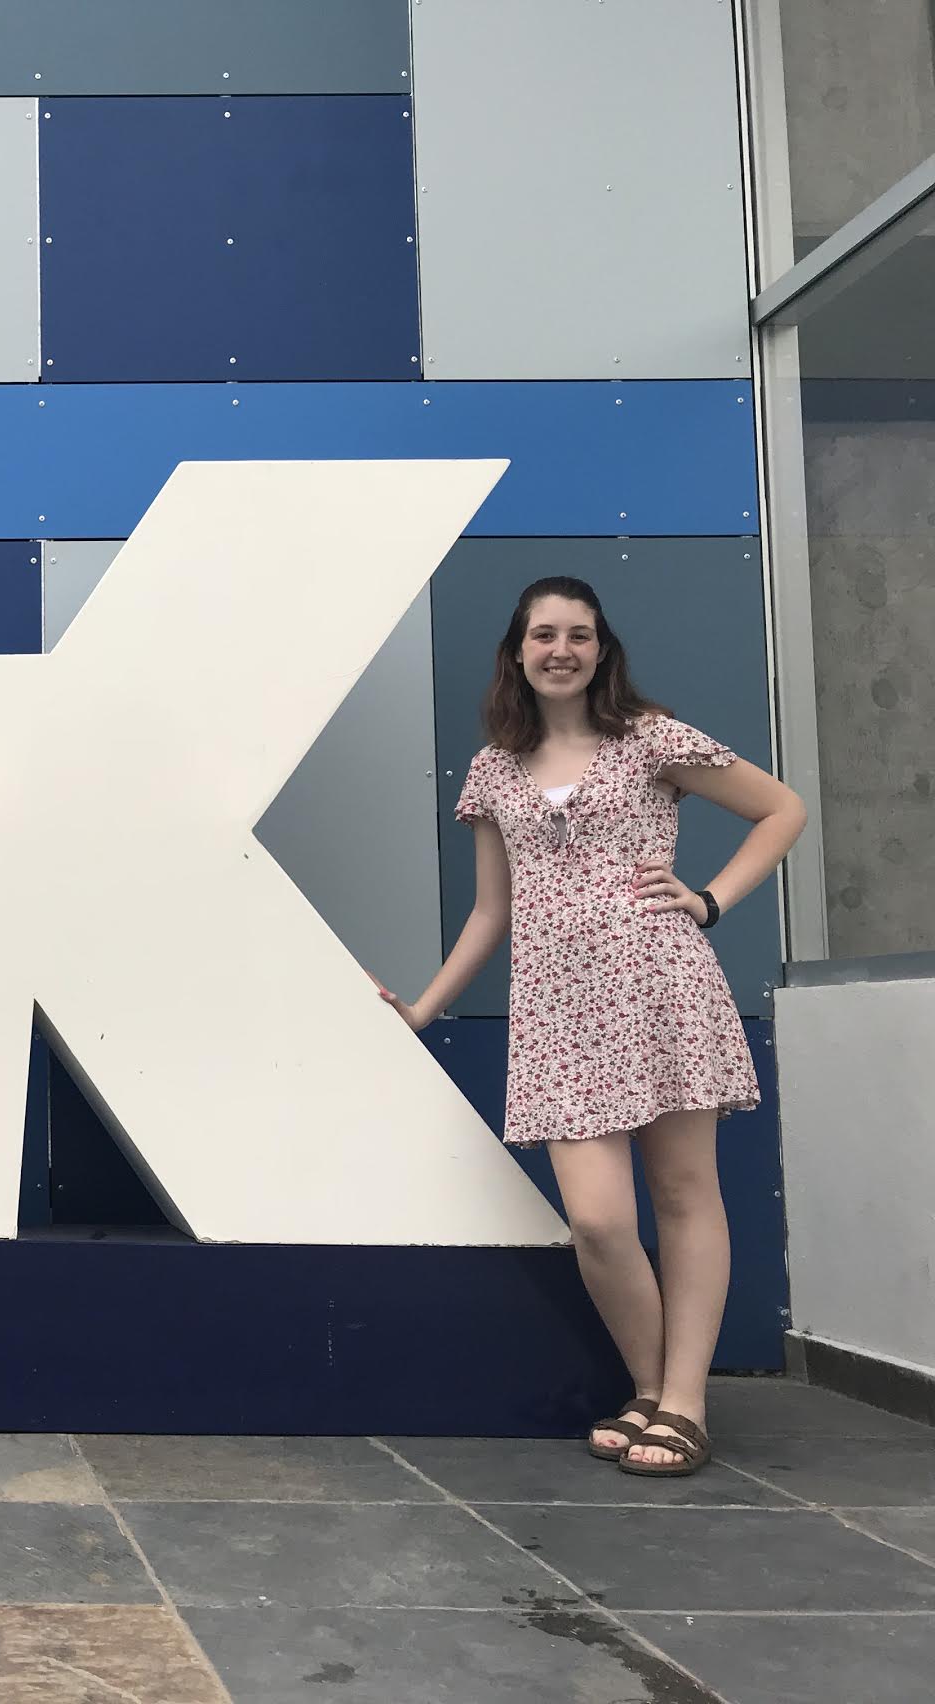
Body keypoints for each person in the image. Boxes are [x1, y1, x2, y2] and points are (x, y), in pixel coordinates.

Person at [379, 576, 803, 1476]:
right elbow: (492, 912)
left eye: (579, 634)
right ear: (518, 653)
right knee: (600, 1222)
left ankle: (682, 1403)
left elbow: (782, 810)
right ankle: (651, 1387)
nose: (561, 649)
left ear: (601, 649)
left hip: (661, 988)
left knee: (686, 1196)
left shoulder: (651, 739)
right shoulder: (494, 769)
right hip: (559, 1014)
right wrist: (424, 1006)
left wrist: (710, 901)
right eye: (544, 635)